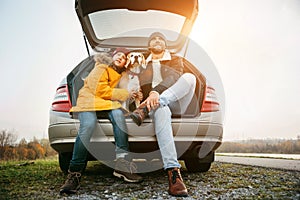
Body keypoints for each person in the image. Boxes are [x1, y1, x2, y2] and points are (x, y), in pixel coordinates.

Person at [60, 48, 143, 195]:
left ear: (125, 63)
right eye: (118, 54)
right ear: (111, 57)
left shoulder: (122, 75)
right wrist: (126, 93)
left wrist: (136, 93)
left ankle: (121, 164)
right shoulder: (101, 67)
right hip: (89, 101)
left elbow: (127, 89)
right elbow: (99, 89)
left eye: (123, 57)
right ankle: (75, 172)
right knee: (88, 125)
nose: (120, 57)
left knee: (119, 117)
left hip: (107, 103)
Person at [129, 32, 196, 197]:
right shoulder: (143, 63)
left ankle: (146, 108)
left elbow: (174, 77)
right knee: (162, 109)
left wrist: (155, 93)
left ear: (165, 45)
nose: (157, 40)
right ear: (149, 46)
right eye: (153, 38)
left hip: (176, 100)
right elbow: (134, 84)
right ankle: (174, 173)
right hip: (156, 107)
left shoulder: (175, 59)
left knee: (189, 77)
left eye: (161, 39)